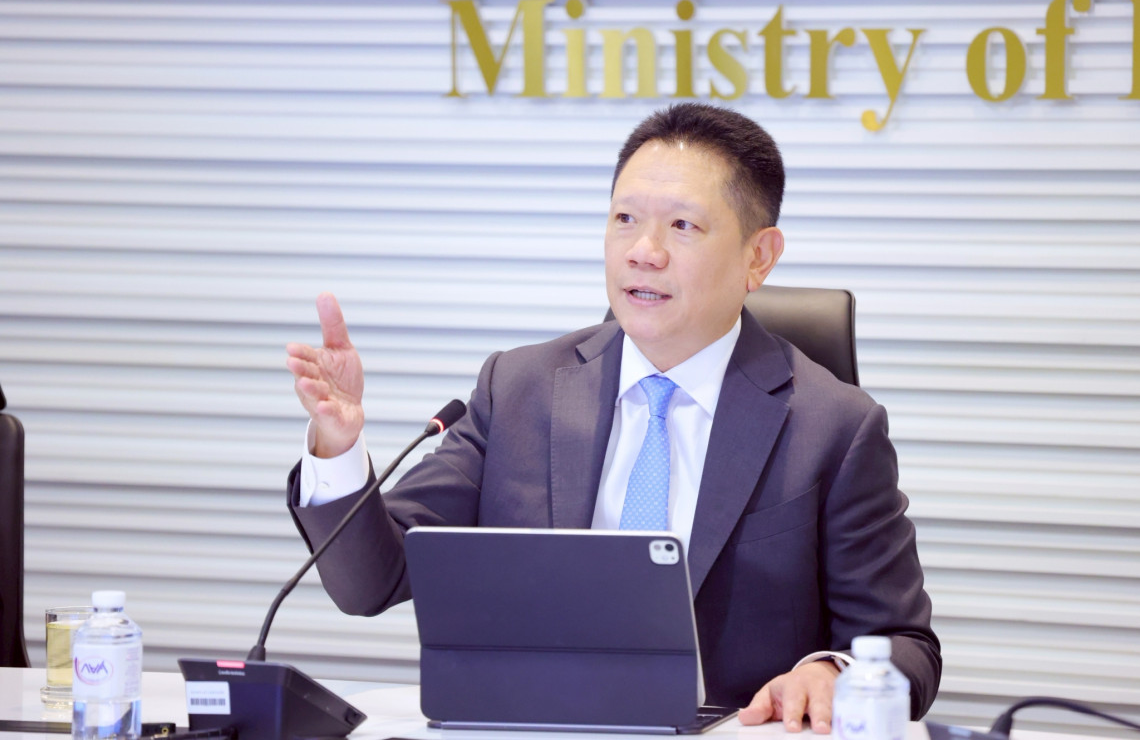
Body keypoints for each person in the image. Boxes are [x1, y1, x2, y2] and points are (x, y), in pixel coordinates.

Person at [285, 103, 941, 732]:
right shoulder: (520, 390)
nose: (643, 251)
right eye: (625, 218)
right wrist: (337, 447)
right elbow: (371, 582)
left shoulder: (833, 427)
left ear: (758, 257)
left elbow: (906, 646)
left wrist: (832, 672)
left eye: (682, 226)